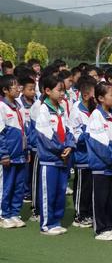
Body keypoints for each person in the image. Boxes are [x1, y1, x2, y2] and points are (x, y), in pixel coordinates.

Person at [86, 83, 112, 241]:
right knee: (100, 198)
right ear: (101, 98)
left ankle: (110, 226)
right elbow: (99, 143)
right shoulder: (96, 116)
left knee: (111, 198)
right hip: (101, 166)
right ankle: (100, 229)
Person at [36, 76, 75, 235]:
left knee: (60, 192)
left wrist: (70, 146)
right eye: (59, 90)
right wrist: (61, 148)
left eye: (63, 91)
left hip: (63, 158)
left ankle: (56, 221)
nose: (62, 94)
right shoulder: (43, 109)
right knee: (49, 193)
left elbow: (69, 129)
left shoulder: (61, 109)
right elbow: (45, 135)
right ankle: (46, 224)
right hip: (50, 159)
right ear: (47, 91)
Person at [0, 75, 29, 228]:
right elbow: (1, 133)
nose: (19, 89)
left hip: (20, 153)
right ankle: (4, 214)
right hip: (8, 155)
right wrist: (3, 153)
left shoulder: (18, 105)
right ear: (5, 90)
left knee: (19, 185)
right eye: (15, 86)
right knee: (7, 185)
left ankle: (14, 213)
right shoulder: (1, 107)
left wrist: (26, 150)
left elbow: (24, 130)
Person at [70, 76, 96, 228]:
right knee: (82, 186)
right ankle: (79, 215)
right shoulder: (76, 111)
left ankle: (88, 213)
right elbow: (75, 135)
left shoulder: (95, 110)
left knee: (91, 187)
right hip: (82, 156)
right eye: (95, 93)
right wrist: (91, 133)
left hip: (94, 157)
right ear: (86, 95)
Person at [17, 75, 36, 203]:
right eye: (30, 89)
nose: (33, 92)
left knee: (32, 169)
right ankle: (26, 192)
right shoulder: (19, 105)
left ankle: (30, 190)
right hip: (24, 143)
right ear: (22, 90)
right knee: (25, 170)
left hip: (34, 142)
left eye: (34, 89)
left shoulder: (37, 104)